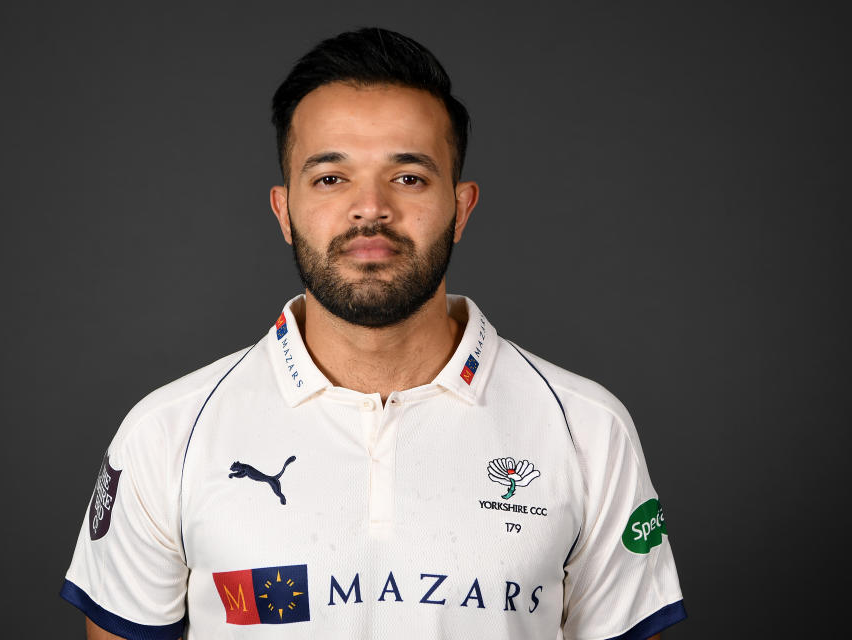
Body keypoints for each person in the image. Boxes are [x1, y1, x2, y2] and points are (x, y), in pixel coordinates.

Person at [61, 27, 686, 640]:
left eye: (408, 177)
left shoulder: (587, 431)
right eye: (330, 178)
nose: (370, 208)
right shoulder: (167, 433)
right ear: (284, 211)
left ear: (461, 208)